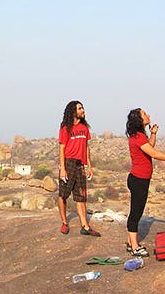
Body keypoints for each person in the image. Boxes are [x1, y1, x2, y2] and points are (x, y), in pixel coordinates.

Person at [125, 108, 165, 256]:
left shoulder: (139, 135)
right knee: (136, 213)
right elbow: (154, 154)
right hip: (139, 180)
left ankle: (130, 243)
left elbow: (150, 147)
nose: (148, 116)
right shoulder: (137, 137)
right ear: (139, 120)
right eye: (144, 114)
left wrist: (153, 134)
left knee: (136, 211)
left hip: (140, 179)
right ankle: (134, 247)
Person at [57, 100, 100, 237]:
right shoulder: (65, 128)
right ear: (73, 111)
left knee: (81, 197)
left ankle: (85, 226)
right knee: (63, 195)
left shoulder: (84, 128)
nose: (83, 110)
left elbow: (86, 148)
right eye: (80, 108)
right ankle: (64, 222)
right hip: (69, 163)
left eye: (83, 108)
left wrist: (89, 166)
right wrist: (63, 169)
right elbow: (62, 149)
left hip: (80, 165)